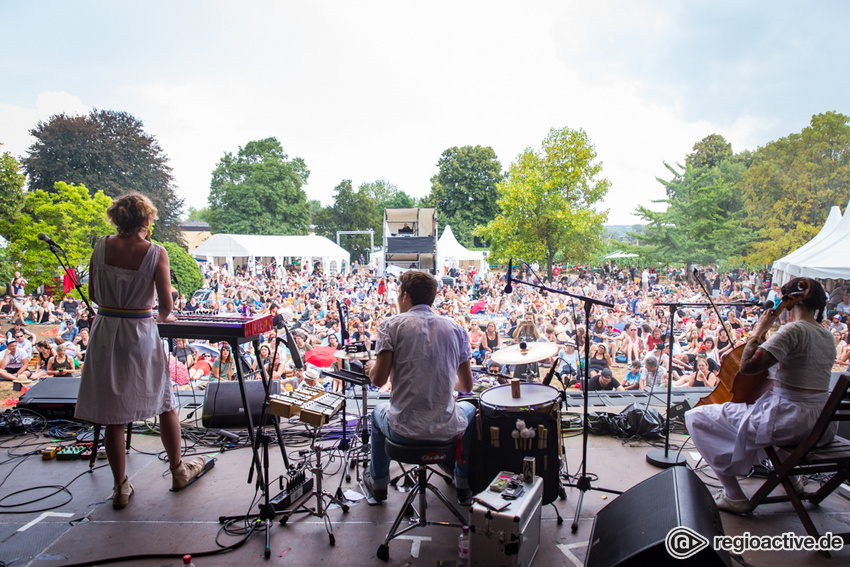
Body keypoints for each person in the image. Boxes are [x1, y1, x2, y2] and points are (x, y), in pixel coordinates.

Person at [74, 193, 209, 510]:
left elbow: (94, 293)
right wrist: (157, 313)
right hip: (139, 333)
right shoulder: (156, 253)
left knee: (113, 415)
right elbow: (166, 306)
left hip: (106, 331)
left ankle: (120, 487)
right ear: (146, 220)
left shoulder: (101, 246)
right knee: (165, 404)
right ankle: (178, 471)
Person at [685, 277, 836, 514]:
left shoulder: (793, 330)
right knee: (762, 419)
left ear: (789, 302)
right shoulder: (826, 335)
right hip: (823, 424)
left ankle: (734, 496)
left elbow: (747, 367)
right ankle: (792, 482)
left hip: (793, 421)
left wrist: (759, 330)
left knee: (696, 417)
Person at [364, 271, 475, 505]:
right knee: (471, 411)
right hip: (446, 430)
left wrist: (372, 366)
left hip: (404, 430)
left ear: (405, 296)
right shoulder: (456, 329)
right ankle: (463, 485)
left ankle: (379, 486)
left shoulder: (390, 325)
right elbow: (466, 386)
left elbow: (378, 380)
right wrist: (444, 382)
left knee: (376, 413)